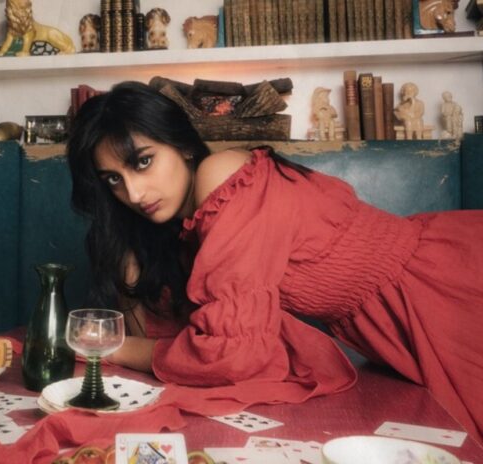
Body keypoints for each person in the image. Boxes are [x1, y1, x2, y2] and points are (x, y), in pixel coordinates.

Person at [67, 81, 483, 443]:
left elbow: (229, 354)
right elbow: (188, 337)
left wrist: (117, 348)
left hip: (446, 288)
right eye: (114, 180)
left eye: (143, 161)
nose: (136, 194)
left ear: (181, 145)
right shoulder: (188, 230)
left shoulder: (223, 174)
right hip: (396, 324)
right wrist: (128, 266)